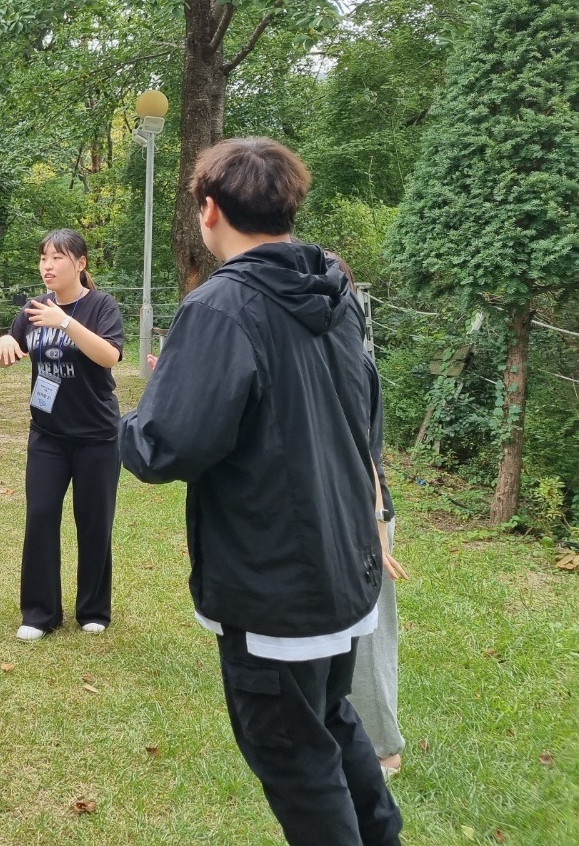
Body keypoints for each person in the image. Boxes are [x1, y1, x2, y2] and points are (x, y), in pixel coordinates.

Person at [118, 137, 403, 846]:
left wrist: (129, 418)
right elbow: (360, 411)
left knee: (295, 757)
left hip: (275, 585)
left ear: (210, 210)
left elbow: (165, 445)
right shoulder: (336, 293)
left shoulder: (221, 307)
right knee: (331, 719)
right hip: (341, 567)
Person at [0, 230, 125, 642]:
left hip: (97, 435)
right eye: (43, 258)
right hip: (48, 435)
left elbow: (110, 355)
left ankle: (94, 610)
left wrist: (65, 322)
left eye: (57, 258)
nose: (47, 266)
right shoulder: (33, 308)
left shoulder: (101, 305)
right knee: (41, 517)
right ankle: (39, 613)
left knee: (94, 522)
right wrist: (5, 340)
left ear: (80, 264)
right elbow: (12, 344)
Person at [325, 253, 408, 781]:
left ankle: (384, 749)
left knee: (371, 635)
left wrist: (375, 529)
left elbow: (365, 455)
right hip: (334, 511)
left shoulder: (352, 363)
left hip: (363, 512)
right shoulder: (324, 355)